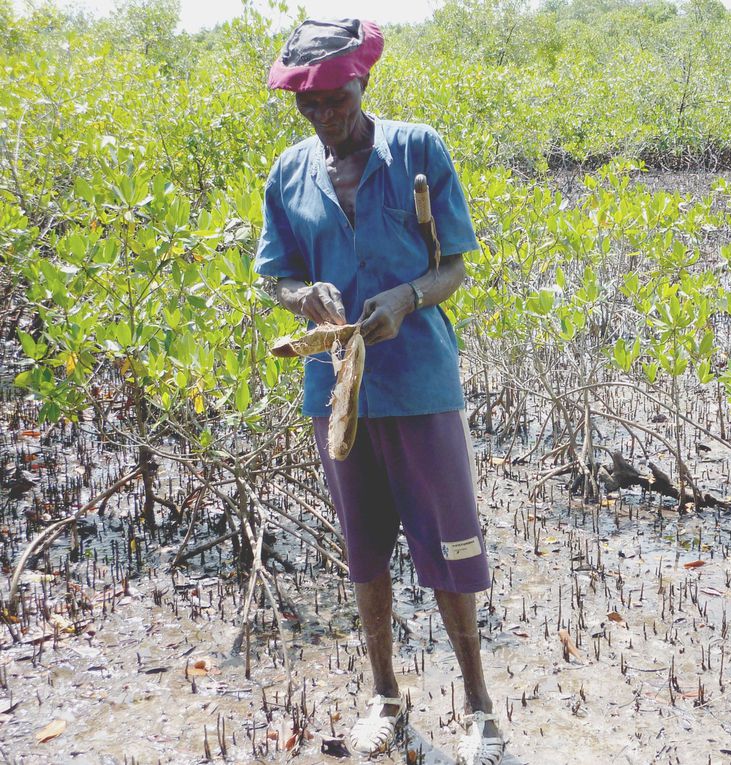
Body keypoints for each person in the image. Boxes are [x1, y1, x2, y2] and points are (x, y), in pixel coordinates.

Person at [254, 18, 504, 765]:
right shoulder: (288, 174)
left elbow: (453, 265)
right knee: (365, 550)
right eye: (311, 107)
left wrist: (407, 299)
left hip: (420, 382)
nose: (328, 118)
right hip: (340, 394)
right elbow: (275, 276)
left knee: (452, 549)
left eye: (339, 99)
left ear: (365, 82)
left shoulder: (418, 151)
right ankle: (387, 699)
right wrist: (305, 298)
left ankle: (481, 707)